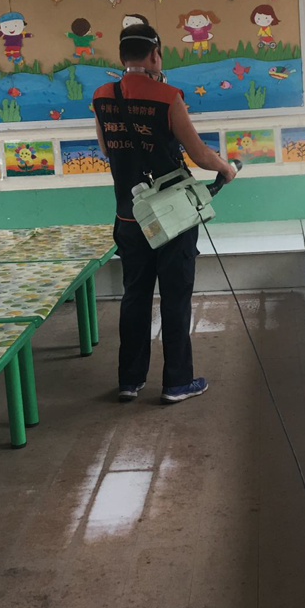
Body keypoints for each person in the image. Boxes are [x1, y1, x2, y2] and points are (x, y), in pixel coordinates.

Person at [93, 23, 236, 405]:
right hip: (173, 216)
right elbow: (199, 154)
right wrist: (226, 169)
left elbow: (107, 149)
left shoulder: (102, 96)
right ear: (155, 55)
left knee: (135, 296)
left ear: (122, 56)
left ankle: (129, 380)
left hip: (129, 216)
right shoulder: (168, 96)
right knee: (175, 297)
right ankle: (177, 382)